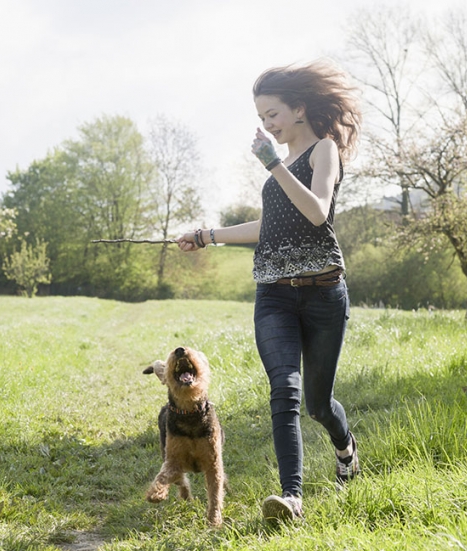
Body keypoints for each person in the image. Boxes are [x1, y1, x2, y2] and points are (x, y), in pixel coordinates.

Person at [177, 60, 362, 522]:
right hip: (274, 296)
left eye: (273, 114)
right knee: (285, 391)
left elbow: (316, 212)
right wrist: (208, 235)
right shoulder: (276, 172)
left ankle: (345, 450)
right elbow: (271, 226)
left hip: (323, 295)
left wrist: (274, 164)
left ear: (299, 109)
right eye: (261, 118)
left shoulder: (324, 152)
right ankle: (292, 499)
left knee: (319, 404)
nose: (267, 125)